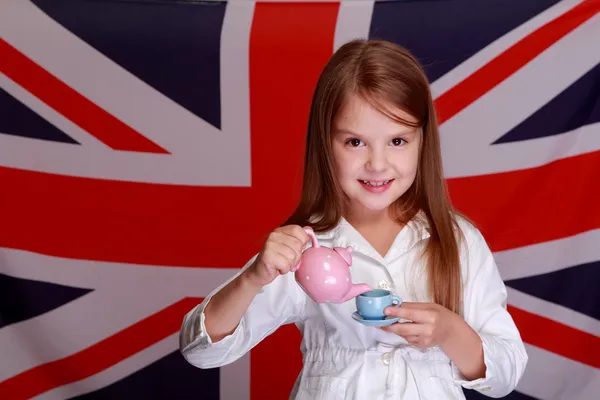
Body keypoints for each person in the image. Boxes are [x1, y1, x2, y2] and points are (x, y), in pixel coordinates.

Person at [179, 39, 528, 399]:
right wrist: (253, 279)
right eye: (355, 143)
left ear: (423, 141)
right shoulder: (306, 250)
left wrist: (451, 332)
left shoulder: (458, 242)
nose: (377, 164)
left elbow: (506, 374)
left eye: (397, 141)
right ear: (325, 143)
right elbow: (201, 351)